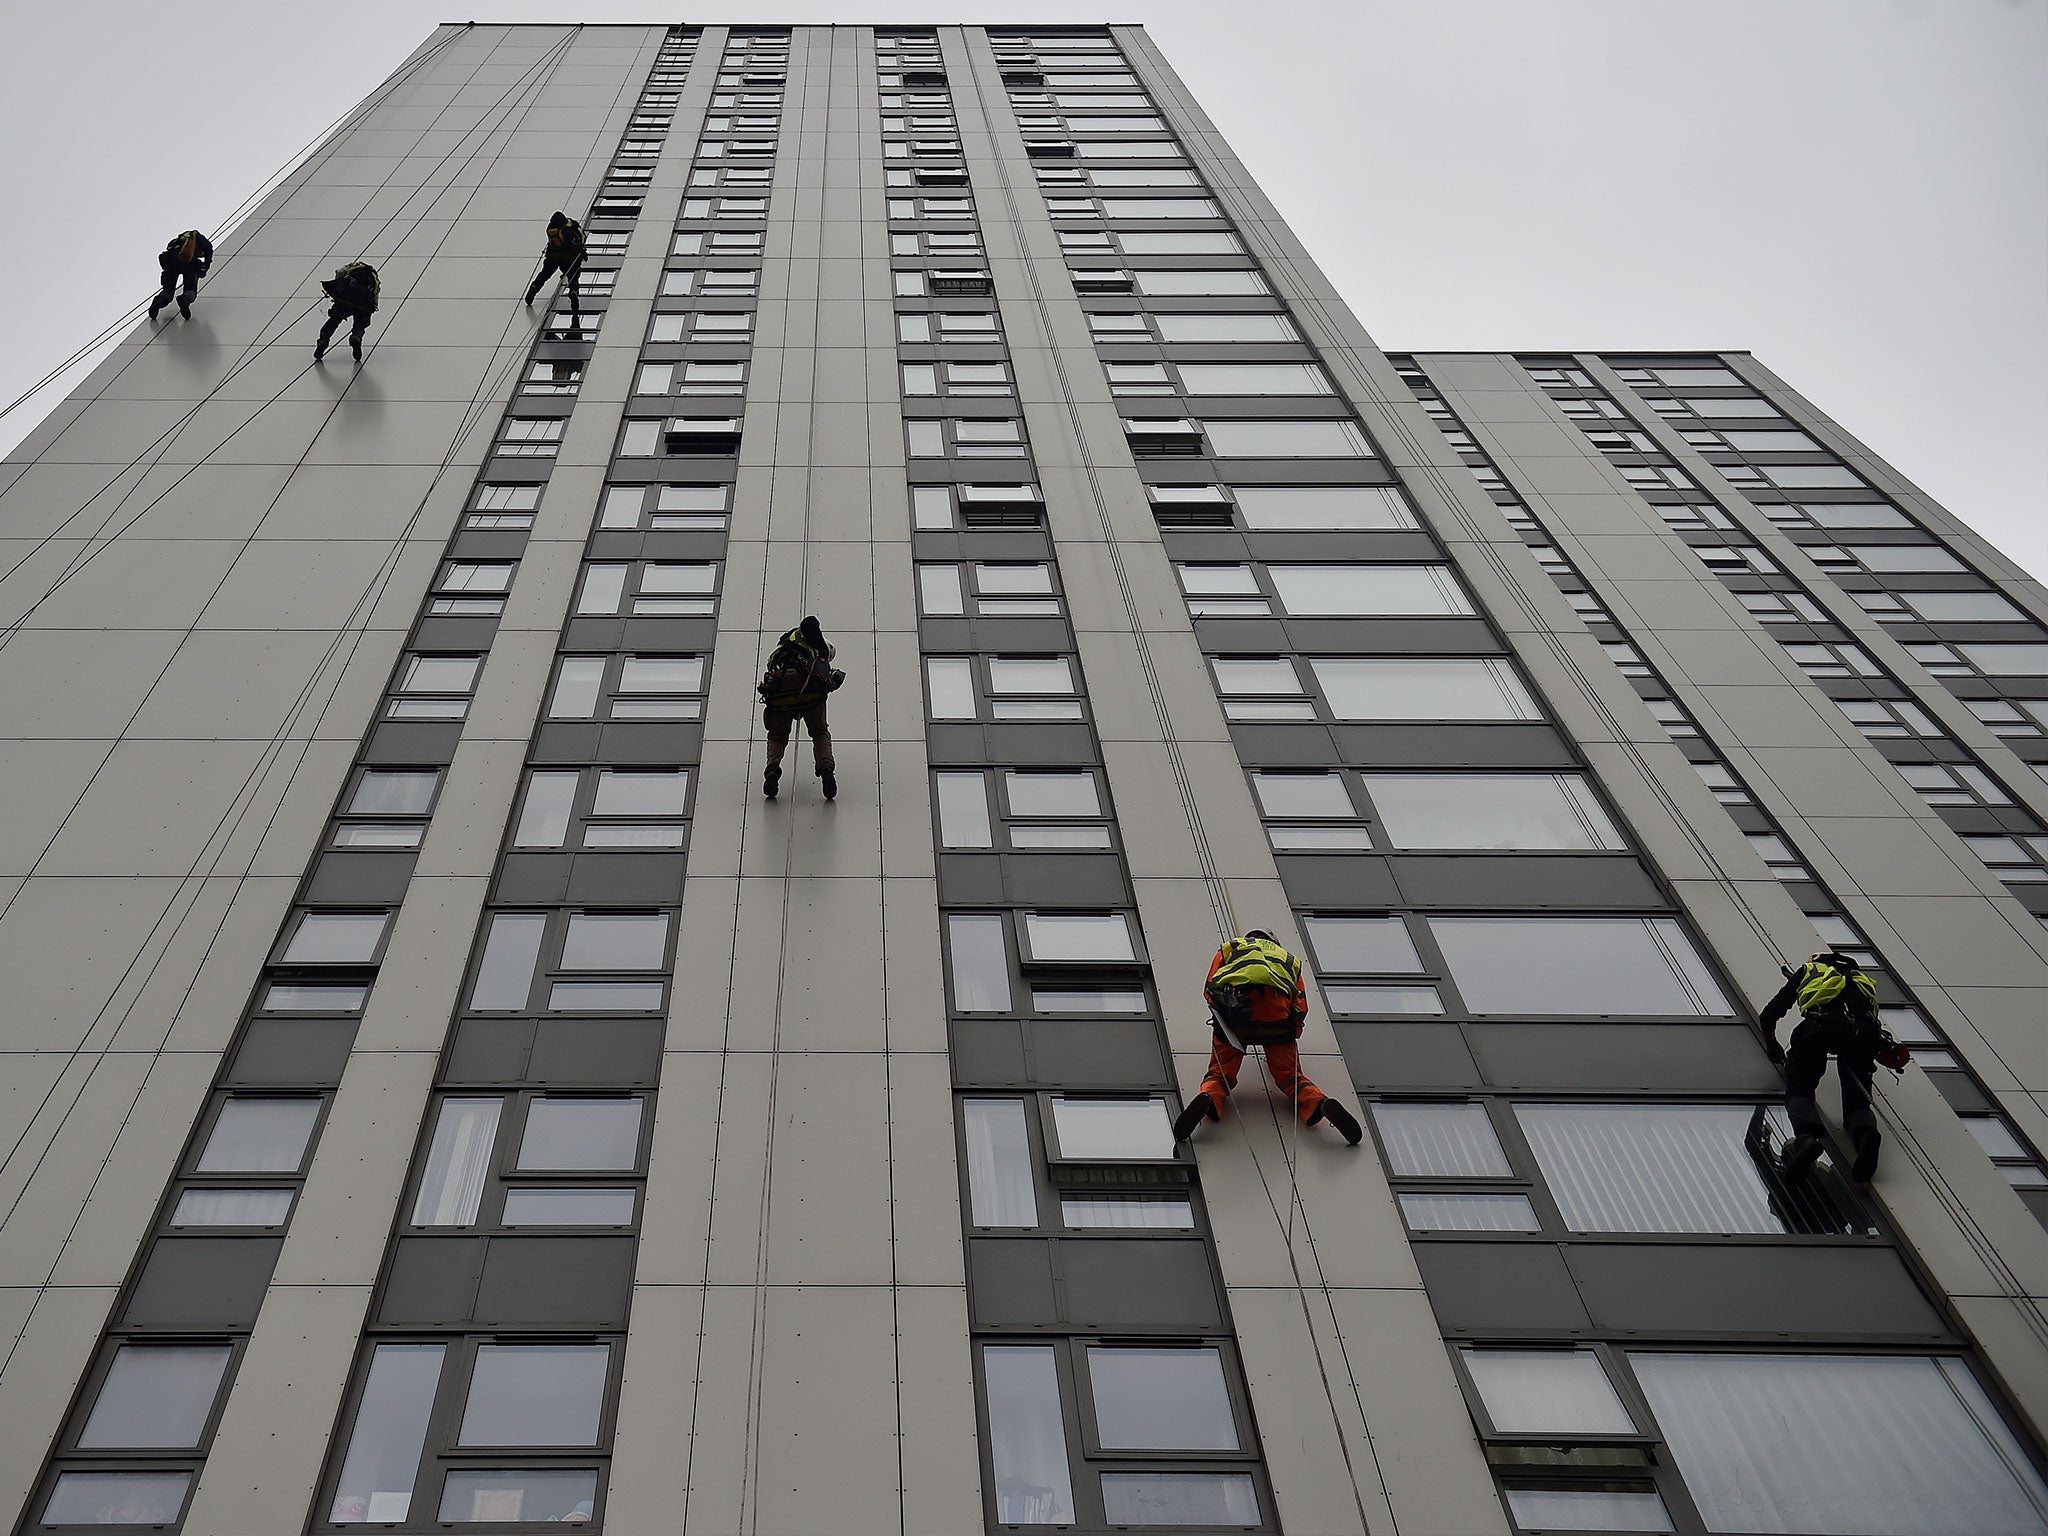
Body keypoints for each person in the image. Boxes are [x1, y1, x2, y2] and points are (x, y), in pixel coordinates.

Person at [1173, 929, 1362, 1145]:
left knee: (1220, 1073)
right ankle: (1319, 1102)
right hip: (1278, 1019)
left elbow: (1211, 984)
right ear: (1273, 942)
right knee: (1290, 1076)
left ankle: (1208, 1097)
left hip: (1238, 1014)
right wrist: (1291, 1034)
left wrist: (1220, 1013)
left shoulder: (1233, 947)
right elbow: (1300, 1003)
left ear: (1251, 937)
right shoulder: (1288, 958)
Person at [1758, 950, 1889, 1182]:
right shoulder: (1862, 982)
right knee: (1858, 1103)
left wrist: (1771, 1043)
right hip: (1863, 1035)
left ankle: (1807, 1139)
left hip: (1822, 1025)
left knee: (1800, 1089)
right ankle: (1866, 1134)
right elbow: (1874, 1024)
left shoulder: (1811, 971)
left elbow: (1769, 1014)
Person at [757, 615, 843, 800]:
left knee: (777, 736)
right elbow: (809, 622)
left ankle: (772, 771)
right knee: (820, 732)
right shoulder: (808, 637)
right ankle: (827, 771)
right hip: (807, 689)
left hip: (779, 694)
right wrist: (821, 652)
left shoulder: (780, 649)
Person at [524, 211, 587, 324]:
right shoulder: (572, 225)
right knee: (573, 276)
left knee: (544, 274)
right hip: (569, 258)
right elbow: (580, 239)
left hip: (553, 255)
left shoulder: (551, 228)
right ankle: (573, 291)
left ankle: (535, 286)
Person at [315, 261, 380, 362]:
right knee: (360, 323)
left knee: (334, 320)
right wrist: (371, 309)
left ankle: (323, 340)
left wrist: (338, 290)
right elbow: (375, 295)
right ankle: (356, 337)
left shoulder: (352, 267)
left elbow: (340, 272)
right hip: (362, 304)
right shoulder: (373, 278)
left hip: (344, 300)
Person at [149, 229, 213, 321]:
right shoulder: (199, 238)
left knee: (168, 291)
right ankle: (184, 299)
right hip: (188, 264)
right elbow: (209, 250)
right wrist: (205, 267)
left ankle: (157, 303)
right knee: (190, 288)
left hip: (171, 261)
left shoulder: (180, 239)